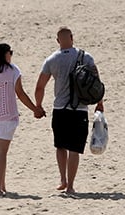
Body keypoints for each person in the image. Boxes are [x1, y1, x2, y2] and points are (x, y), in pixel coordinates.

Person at [34, 27, 104, 194]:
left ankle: (63, 180)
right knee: (74, 149)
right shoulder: (86, 57)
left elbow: (40, 86)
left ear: (58, 41)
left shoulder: (51, 59)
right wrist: (100, 103)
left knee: (60, 146)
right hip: (80, 109)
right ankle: (71, 185)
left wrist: (38, 105)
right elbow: (97, 82)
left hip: (60, 110)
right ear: (72, 38)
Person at [0, 43, 45, 196]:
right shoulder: (13, 71)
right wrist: (35, 109)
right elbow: (20, 93)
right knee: (1, 153)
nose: (11, 55)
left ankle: (2, 185)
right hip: (7, 117)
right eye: (10, 52)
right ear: (4, 54)